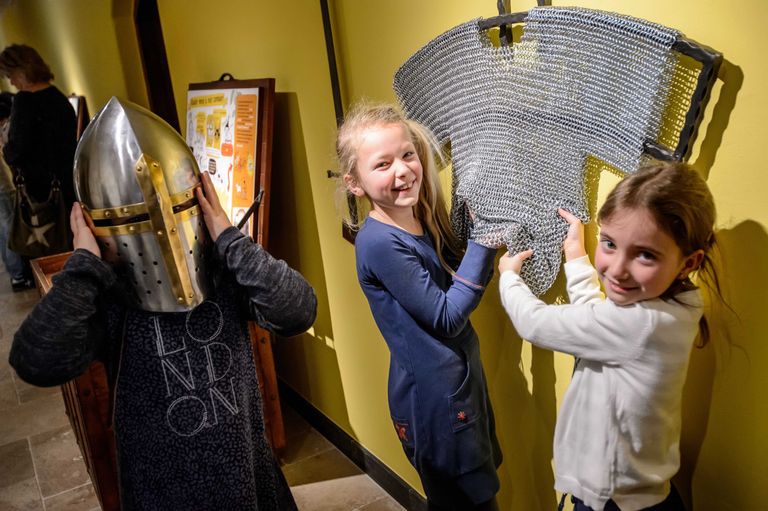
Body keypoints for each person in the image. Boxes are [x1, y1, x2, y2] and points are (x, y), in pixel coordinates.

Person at [10, 98, 317, 510]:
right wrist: (84, 266)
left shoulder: (223, 274)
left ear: (199, 199)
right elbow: (36, 358)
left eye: (178, 208)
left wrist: (229, 237)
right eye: (128, 219)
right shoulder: (107, 298)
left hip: (251, 479)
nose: (164, 235)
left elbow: (298, 311)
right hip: (162, 495)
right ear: (93, 225)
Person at [498, 161, 721, 511]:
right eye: (610, 243)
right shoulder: (678, 302)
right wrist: (576, 256)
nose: (617, 270)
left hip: (611, 500)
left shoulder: (640, 324)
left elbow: (534, 323)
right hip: (636, 490)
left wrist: (508, 278)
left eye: (645, 254)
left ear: (689, 262)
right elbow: (599, 323)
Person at [337, 103, 502, 511]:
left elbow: (460, 280)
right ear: (354, 183)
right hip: (436, 405)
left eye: (408, 155)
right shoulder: (378, 242)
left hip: (456, 393)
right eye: (383, 164)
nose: (402, 170)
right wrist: (485, 241)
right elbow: (446, 317)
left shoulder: (417, 218)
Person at [0, 44, 77, 214]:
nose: (11, 82)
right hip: (69, 182)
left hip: (41, 191)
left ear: (21, 71)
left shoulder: (24, 101)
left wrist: (5, 146)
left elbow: (17, 152)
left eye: (10, 76)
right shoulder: (58, 97)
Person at [0, 91, 32, 290]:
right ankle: (19, 275)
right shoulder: (4, 129)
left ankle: (16, 273)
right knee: (9, 227)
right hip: (3, 186)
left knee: (4, 230)